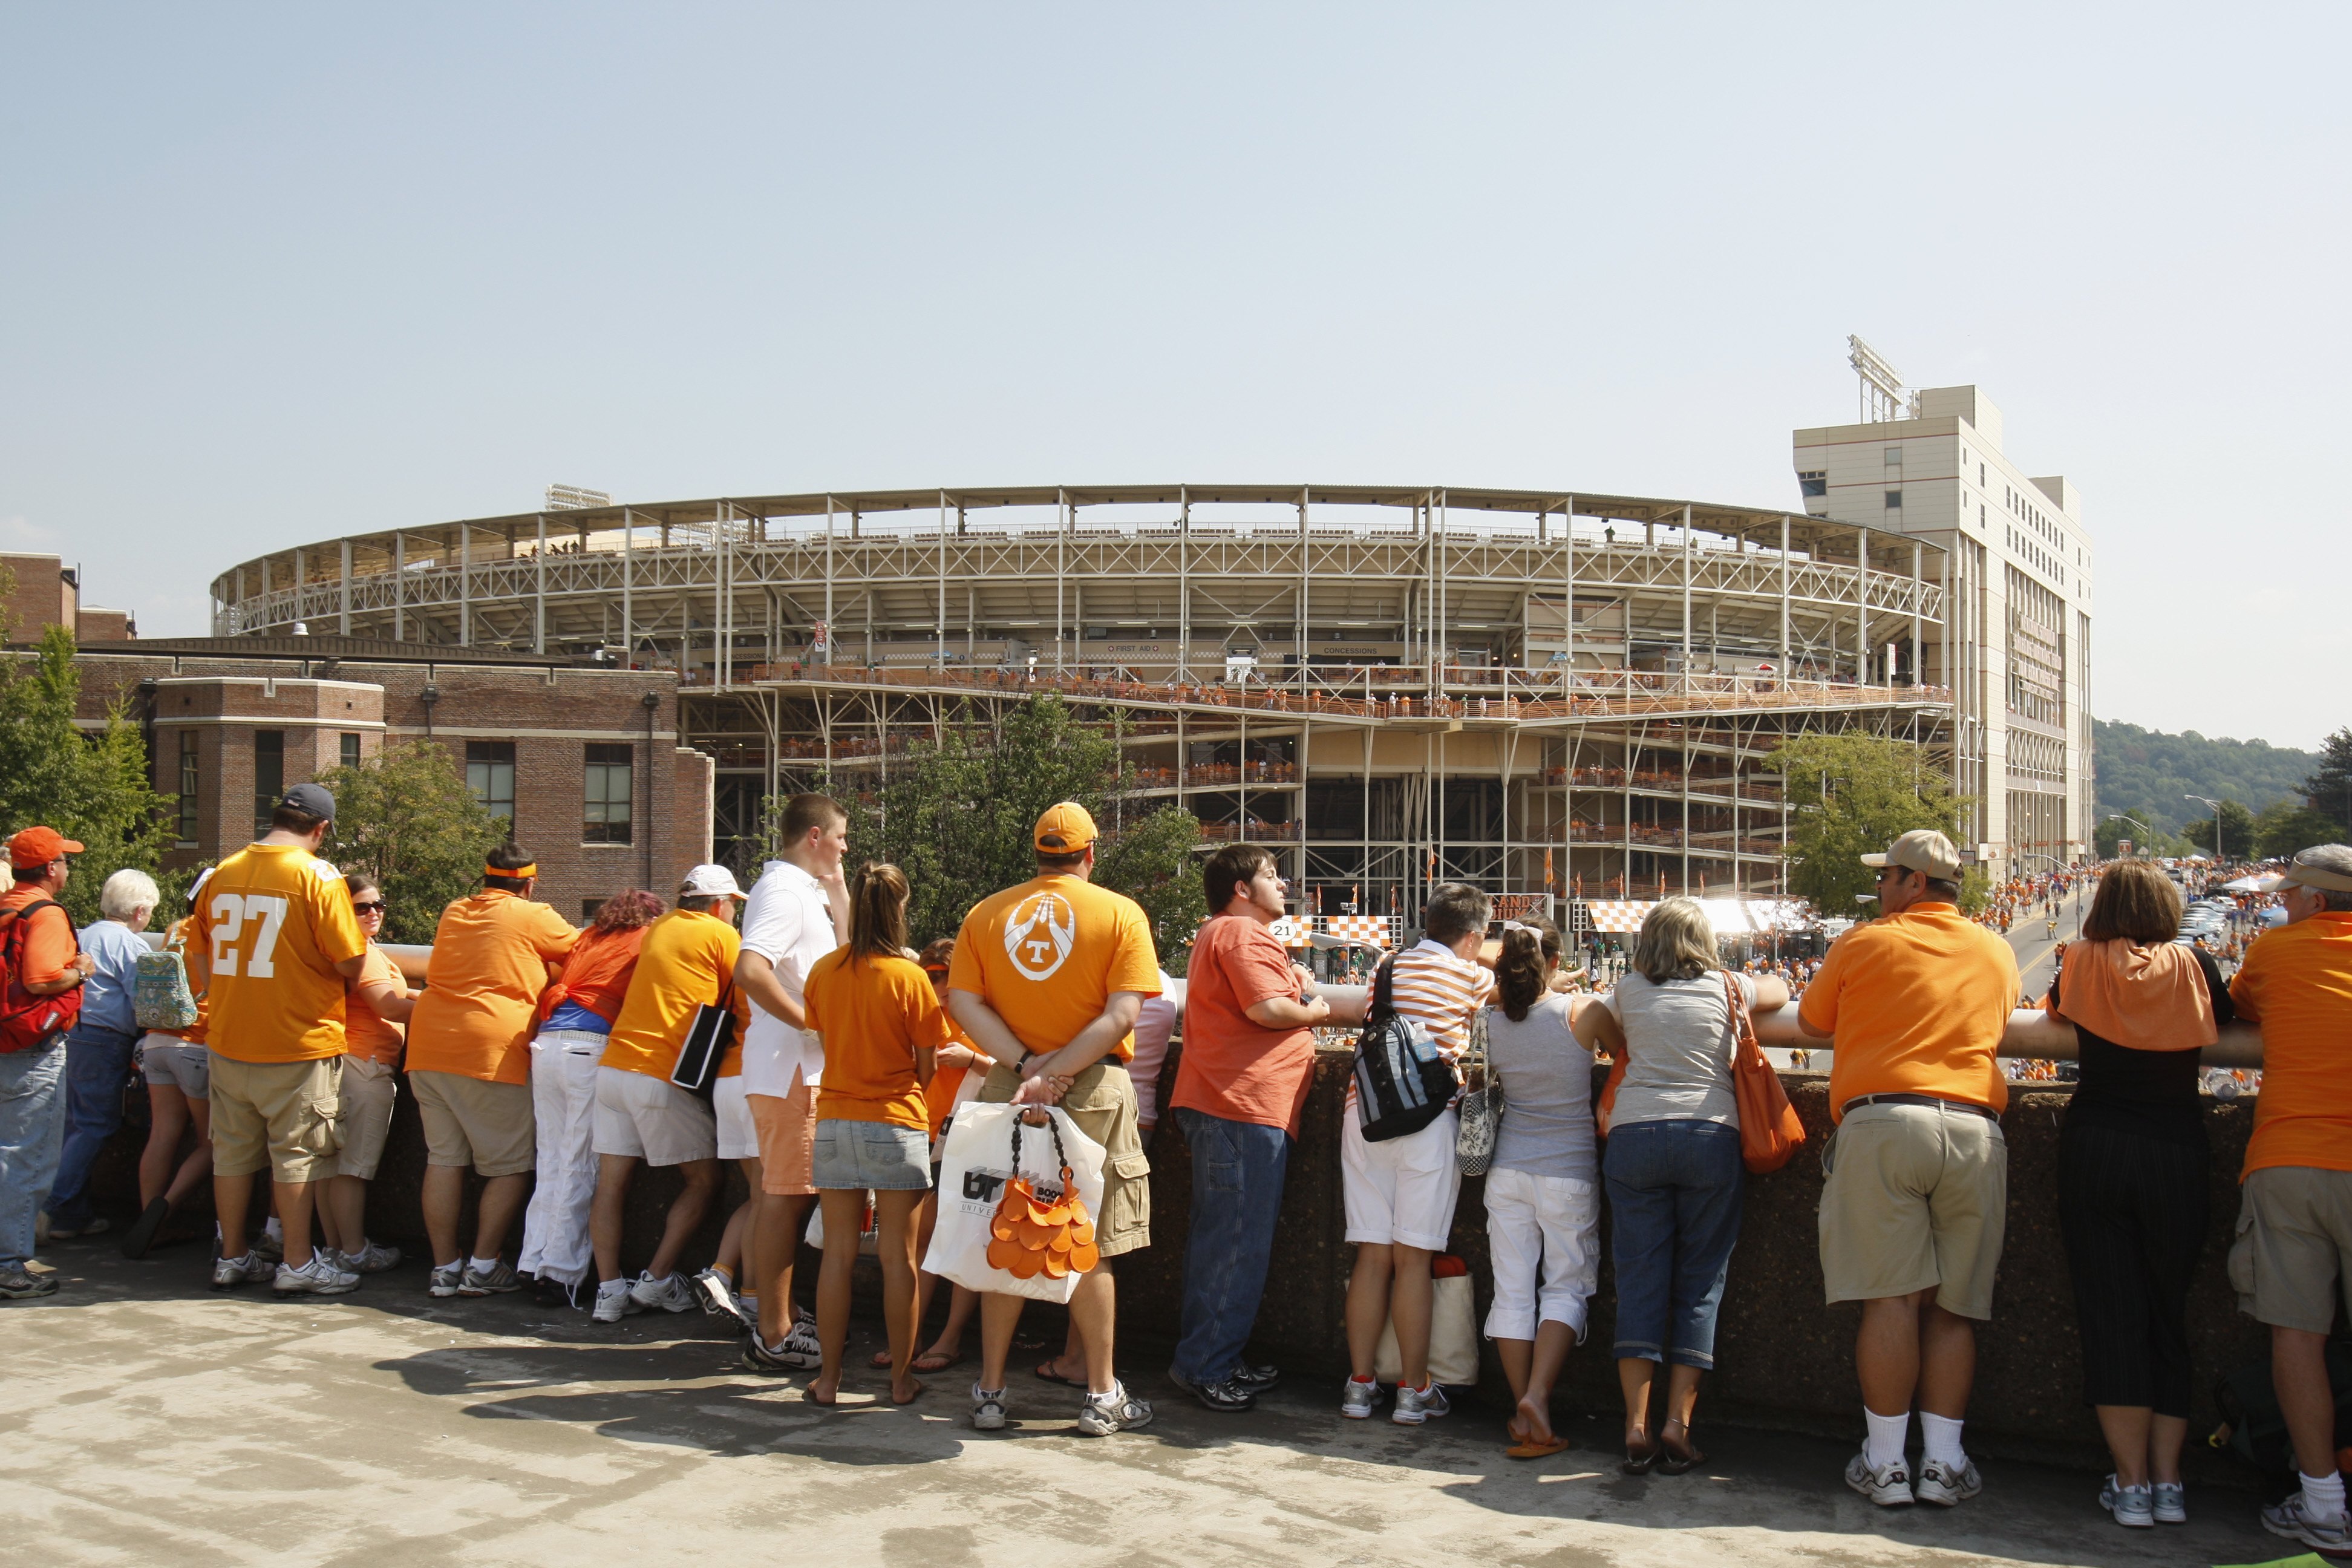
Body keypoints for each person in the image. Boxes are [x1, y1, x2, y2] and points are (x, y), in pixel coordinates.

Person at [1798, 828, 2020, 1508]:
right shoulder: (1996, 949)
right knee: (1955, 1308)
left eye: (1888, 877)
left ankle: (1888, 1465)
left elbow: (1811, 1023)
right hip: (1975, 1129)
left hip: (1884, 1124)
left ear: (1915, 883)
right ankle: (1945, 1465)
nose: (1880, 889)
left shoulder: (1865, 941)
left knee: (1890, 1301)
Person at [947, 802, 1161, 1436]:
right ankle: (1101, 1395)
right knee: (1089, 1244)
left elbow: (963, 1000)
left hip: (1008, 1086)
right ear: (1090, 854)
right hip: (1092, 1086)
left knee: (1006, 1232)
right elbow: (1123, 1016)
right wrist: (1061, 1070)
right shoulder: (1121, 913)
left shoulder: (987, 913)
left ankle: (989, 1392)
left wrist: (1025, 1066)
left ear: (1036, 854)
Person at [2047, 861, 2227, 1530]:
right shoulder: (2197, 965)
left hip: (2097, 1143)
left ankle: (2128, 1485)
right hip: (2177, 1147)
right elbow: (2229, 1017)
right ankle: (2170, 1482)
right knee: (2167, 1312)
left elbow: (2059, 1011)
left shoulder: (2079, 960)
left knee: (2110, 1313)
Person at [1598, 898, 1788, 1474]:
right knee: (1701, 1282)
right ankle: (1678, 1425)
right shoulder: (1729, 986)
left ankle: (1635, 1424)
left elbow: (1592, 1029)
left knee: (1638, 1278)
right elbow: (1778, 989)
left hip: (1633, 1138)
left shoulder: (1626, 992)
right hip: (1710, 1136)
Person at [1164, 844, 1334, 1413]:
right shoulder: (1239, 933)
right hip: (1239, 1107)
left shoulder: (1223, 933)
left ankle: (1214, 1355)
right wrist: (1317, 1011)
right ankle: (1206, 1366)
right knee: (1234, 1244)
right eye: (1269, 875)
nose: (1282, 883)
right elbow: (1268, 1010)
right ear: (1241, 889)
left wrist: (1295, 983)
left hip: (1231, 1105)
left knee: (1224, 1241)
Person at [190, 783, 370, 1296]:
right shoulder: (317, 875)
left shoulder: (222, 872)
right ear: (321, 830)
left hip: (228, 1037)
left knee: (231, 1155)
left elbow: (201, 959)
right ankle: (296, 1262)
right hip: (297, 1040)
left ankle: (231, 1257)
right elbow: (351, 962)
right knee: (297, 1156)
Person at [2229, 846, 2352, 1552]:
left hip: (2292, 1158)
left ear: (2313, 900)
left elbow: (2243, 1006)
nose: (2282, 904)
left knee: (2297, 1336)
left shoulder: (2277, 952)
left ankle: (2323, 1503)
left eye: (2290, 895)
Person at [1341, 881, 1495, 1425]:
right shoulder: (1472, 974)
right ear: (1474, 938)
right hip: (1429, 1120)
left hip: (1366, 1116)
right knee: (1413, 1259)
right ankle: (1414, 1388)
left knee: (1371, 1255)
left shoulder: (1387, 965)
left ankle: (1359, 1386)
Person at [404, 843, 580, 1296]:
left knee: (443, 1160)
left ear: (485, 879)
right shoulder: (532, 914)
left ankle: (444, 1269)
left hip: (428, 1045)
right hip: (489, 1050)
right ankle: (483, 1267)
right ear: (529, 883)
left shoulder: (454, 910)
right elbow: (584, 952)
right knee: (508, 1166)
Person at [805, 863, 948, 1406]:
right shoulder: (911, 978)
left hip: (836, 1118)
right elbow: (927, 1063)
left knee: (837, 1255)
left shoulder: (824, 971)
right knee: (899, 1259)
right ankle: (900, 1380)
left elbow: (823, 1037)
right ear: (900, 908)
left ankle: (828, 1379)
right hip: (897, 1120)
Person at [591, 864, 748, 1323]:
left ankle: (608, 1292)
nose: (734, 915)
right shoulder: (722, 938)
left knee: (611, 1183)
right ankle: (657, 1279)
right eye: (734, 907)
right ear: (719, 905)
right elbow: (744, 998)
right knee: (704, 1181)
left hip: (614, 1068)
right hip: (661, 1073)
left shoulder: (660, 926)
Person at [1478, 917, 1612, 1459]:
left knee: (1511, 1290)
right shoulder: (1583, 1012)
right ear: (1557, 962)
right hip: (1569, 1170)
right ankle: (1538, 1395)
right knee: (1565, 1287)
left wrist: (1536, 983)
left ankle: (1524, 1411)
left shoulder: (1491, 1017)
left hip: (1507, 1167)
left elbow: (1505, 992)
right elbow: (1620, 1048)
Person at [734, 793, 849, 1373]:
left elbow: (851, 957)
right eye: (840, 837)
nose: (845, 847)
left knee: (783, 1196)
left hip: (791, 1070)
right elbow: (750, 969)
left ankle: (779, 1316)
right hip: (792, 1071)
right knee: (784, 1199)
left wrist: (839, 891)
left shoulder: (798, 891)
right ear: (814, 836)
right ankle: (773, 1332)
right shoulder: (783, 892)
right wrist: (812, 1023)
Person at [518, 888, 663, 1303]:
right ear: (649, 919)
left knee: (551, 1160)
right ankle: (559, 1273)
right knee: (581, 1161)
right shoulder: (644, 940)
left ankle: (532, 1261)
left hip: (548, 1043)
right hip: (589, 1045)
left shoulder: (590, 936)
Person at [0, 828, 95, 1299]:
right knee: (27, 1160)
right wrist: (81, 970)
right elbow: (41, 980)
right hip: (31, 1049)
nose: (68, 868)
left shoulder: (6, 905)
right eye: (65, 860)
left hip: (4, 1043)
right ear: (50, 868)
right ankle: (8, 1266)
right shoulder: (47, 913)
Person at [43, 869, 160, 1241]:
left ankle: (70, 1214)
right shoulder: (132, 945)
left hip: (70, 1033)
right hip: (105, 1039)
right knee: (96, 1124)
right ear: (141, 911)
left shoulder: (82, 934)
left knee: (72, 1124)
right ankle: (55, 1208)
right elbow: (145, 1004)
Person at [316, 873, 416, 1275]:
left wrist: (424, 997)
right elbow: (387, 1007)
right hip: (366, 1065)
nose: (373, 913)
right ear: (344, 910)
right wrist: (451, 1010)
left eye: (379, 905)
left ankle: (337, 1248)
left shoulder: (347, 947)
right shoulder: (363, 950)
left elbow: (394, 995)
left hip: (343, 1060)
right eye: (362, 907)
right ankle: (355, 1251)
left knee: (331, 1165)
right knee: (353, 1167)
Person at [123, 869, 217, 1262]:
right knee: (212, 1144)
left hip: (157, 1040)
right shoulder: (215, 930)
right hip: (195, 1045)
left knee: (162, 1134)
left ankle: (151, 1223)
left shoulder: (176, 927)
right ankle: (167, 1209)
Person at [907, 936, 988, 1374]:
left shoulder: (979, 1014)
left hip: (969, 1136)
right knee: (920, 1241)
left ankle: (949, 1338)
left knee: (965, 1240)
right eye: (928, 974)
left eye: (942, 976)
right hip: (923, 1132)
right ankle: (911, 1334)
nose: (934, 983)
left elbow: (1017, 1067)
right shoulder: (921, 1013)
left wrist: (971, 1057)